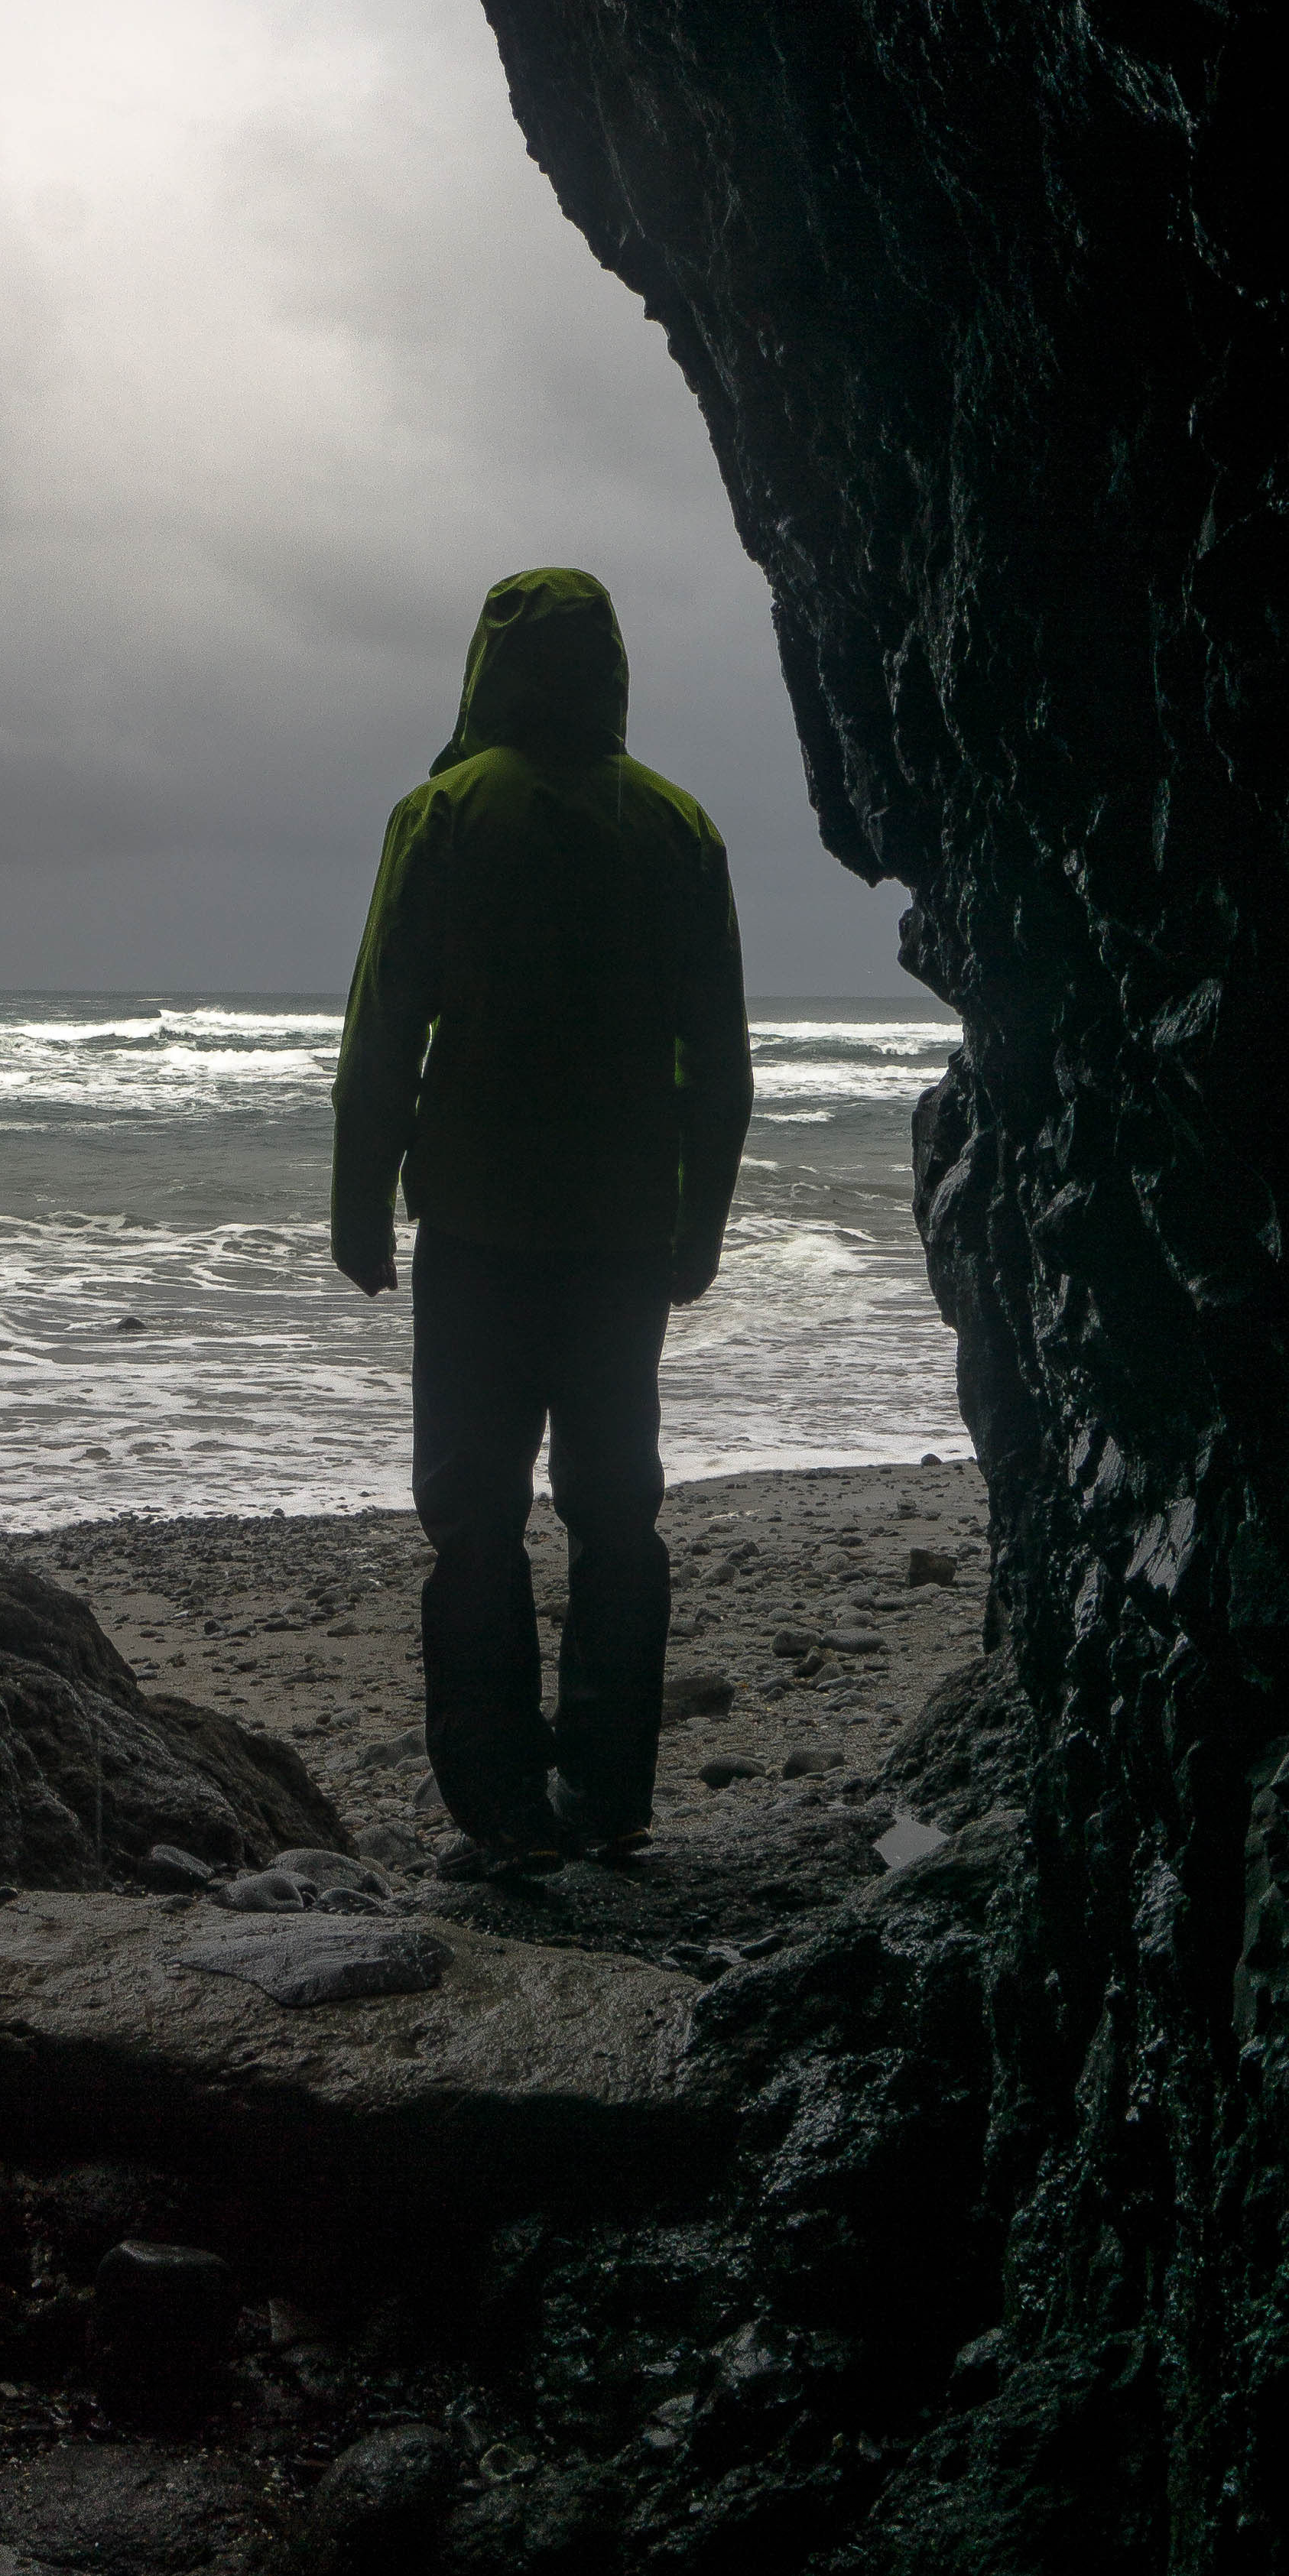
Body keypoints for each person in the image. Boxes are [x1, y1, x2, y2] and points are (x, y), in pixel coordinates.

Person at [331, 568, 751, 1870]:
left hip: (476, 1230)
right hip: (624, 1234)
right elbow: (720, 1062)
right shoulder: (680, 827)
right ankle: (610, 1796)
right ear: (612, 668)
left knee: (474, 1516)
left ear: (487, 669)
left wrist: (359, 1205)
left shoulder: (442, 814)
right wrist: (701, 1225)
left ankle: (503, 1811)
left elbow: (383, 1031)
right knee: (616, 1508)